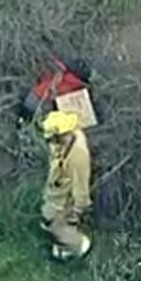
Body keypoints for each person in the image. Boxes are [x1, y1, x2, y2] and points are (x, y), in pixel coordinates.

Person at [41, 111, 93, 261]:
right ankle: (64, 247)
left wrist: (76, 211)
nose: (52, 143)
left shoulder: (78, 155)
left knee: (55, 225)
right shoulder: (68, 140)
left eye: (54, 139)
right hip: (57, 191)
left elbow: (81, 186)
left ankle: (79, 246)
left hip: (65, 199)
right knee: (49, 221)